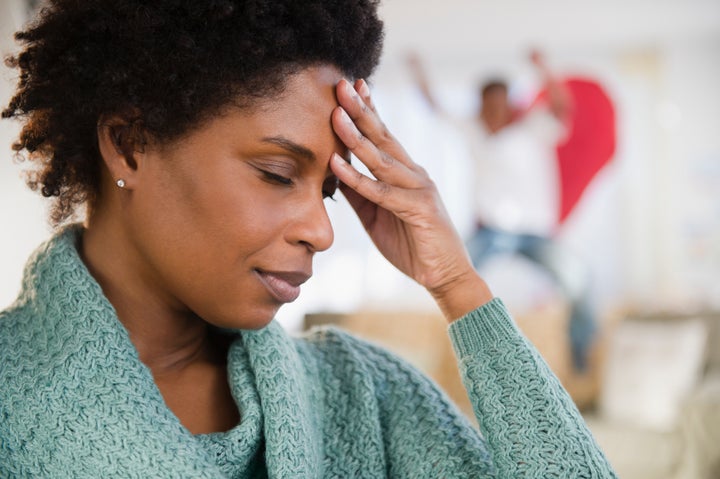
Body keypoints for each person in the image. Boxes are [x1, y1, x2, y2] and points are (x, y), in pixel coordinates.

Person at [0, 1, 617, 477]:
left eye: (327, 192)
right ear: (130, 144)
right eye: (275, 174)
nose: (322, 232)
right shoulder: (13, 397)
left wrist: (457, 284)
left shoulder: (363, 391)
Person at [409, 51, 597, 371]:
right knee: (448, 276)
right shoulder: (472, 128)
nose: (493, 113)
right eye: (487, 106)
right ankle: (452, 350)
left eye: (499, 105)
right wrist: (418, 71)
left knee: (577, 278)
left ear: (509, 104)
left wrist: (543, 69)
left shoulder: (533, 126)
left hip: (534, 231)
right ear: (480, 105)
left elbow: (564, 107)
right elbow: (434, 106)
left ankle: (580, 351)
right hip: (491, 229)